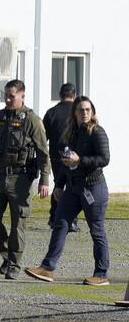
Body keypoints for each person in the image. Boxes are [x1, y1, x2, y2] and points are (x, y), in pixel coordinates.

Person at [0, 79, 50, 280]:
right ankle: (7, 255)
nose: (7, 99)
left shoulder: (31, 120)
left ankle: (14, 264)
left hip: (21, 179)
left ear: (22, 96)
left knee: (18, 222)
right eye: (6, 95)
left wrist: (44, 180)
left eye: (11, 95)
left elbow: (43, 152)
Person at [25, 96, 110, 286]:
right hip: (73, 189)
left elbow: (104, 159)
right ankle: (47, 268)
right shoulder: (71, 133)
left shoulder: (97, 132)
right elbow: (66, 162)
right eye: (81, 110)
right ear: (75, 113)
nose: (85, 113)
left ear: (92, 112)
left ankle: (101, 273)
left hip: (93, 188)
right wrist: (58, 185)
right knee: (60, 223)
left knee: (96, 231)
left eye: (88, 110)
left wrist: (80, 160)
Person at [43, 83, 80, 232]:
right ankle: (71, 221)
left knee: (58, 185)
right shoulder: (78, 112)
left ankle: (54, 218)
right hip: (74, 157)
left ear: (60, 95)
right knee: (73, 187)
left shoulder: (51, 112)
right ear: (74, 95)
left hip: (56, 157)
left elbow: (43, 137)